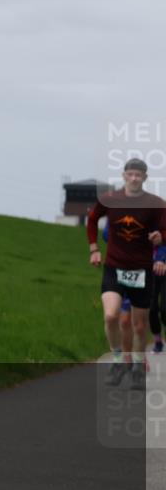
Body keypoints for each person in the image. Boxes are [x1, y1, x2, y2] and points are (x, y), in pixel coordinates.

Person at [87, 158, 166, 389]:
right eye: (130, 174)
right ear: (123, 176)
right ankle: (119, 361)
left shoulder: (155, 204)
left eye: (138, 175)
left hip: (142, 270)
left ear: (145, 178)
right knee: (112, 317)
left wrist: (161, 238)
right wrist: (94, 249)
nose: (134, 178)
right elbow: (92, 221)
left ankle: (139, 367)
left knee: (139, 326)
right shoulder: (110, 199)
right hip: (114, 267)